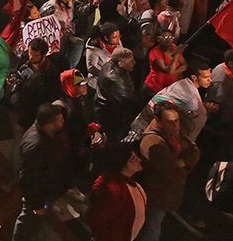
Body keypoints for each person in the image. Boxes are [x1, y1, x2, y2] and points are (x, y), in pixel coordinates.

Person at [136, 103, 200, 241]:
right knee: (151, 230)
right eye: (170, 122)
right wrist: (185, 164)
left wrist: (182, 162)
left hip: (165, 193)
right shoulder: (153, 143)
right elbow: (173, 173)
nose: (176, 125)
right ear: (158, 120)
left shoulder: (172, 131)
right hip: (156, 194)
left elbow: (195, 151)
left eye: (177, 120)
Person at [12, 103, 72, 241]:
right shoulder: (35, 146)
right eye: (60, 120)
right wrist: (37, 205)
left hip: (50, 189)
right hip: (40, 194)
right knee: (28, 222)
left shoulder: (50, 133)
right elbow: (28, 179)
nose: (63, 121)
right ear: (50, 124)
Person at [86, 144, 147, 241]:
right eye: (133, 159)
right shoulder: (117, 192)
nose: (139, 160)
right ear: (123, 165)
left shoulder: (133, 186)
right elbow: (95, 217)